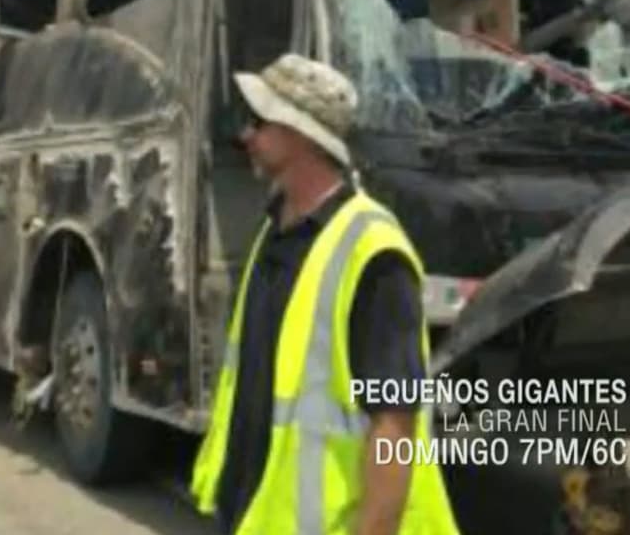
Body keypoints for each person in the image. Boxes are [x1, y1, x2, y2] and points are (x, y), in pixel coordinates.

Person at [191, 53, 460, 535]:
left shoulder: (374, 254)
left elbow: (394, 428)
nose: (246, 136)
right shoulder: (274, 232)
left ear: (298, 133)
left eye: (259, 122)